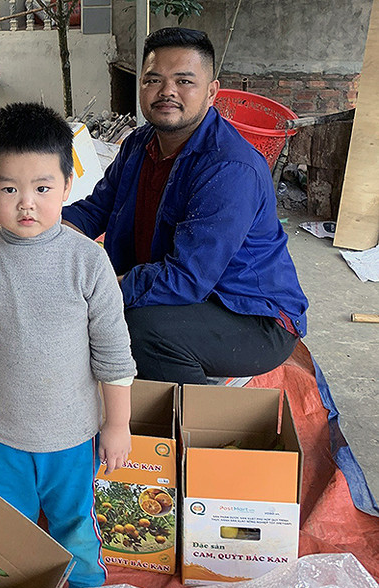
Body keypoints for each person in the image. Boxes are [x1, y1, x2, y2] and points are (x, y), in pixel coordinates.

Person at [0, 103, 137, 588]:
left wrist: (117, 425)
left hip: (71, 434)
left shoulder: (88, 261)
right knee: (10, 523)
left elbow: (114, 352)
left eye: (43, 189)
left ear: (69, 187)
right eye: (9, 189)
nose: (26, 203)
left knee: (74, 523)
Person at [62, 28, 308, 385]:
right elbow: (94, 209)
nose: (167, 92)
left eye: (184, 81)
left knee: (139, 329)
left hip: (253, 316)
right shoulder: (140, 143)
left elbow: (187, 278)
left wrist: (99, 291)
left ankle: (192, 420)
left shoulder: (230, 167)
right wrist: (45, 244)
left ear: (211, 92)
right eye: (153, 79)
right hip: (189, 296)